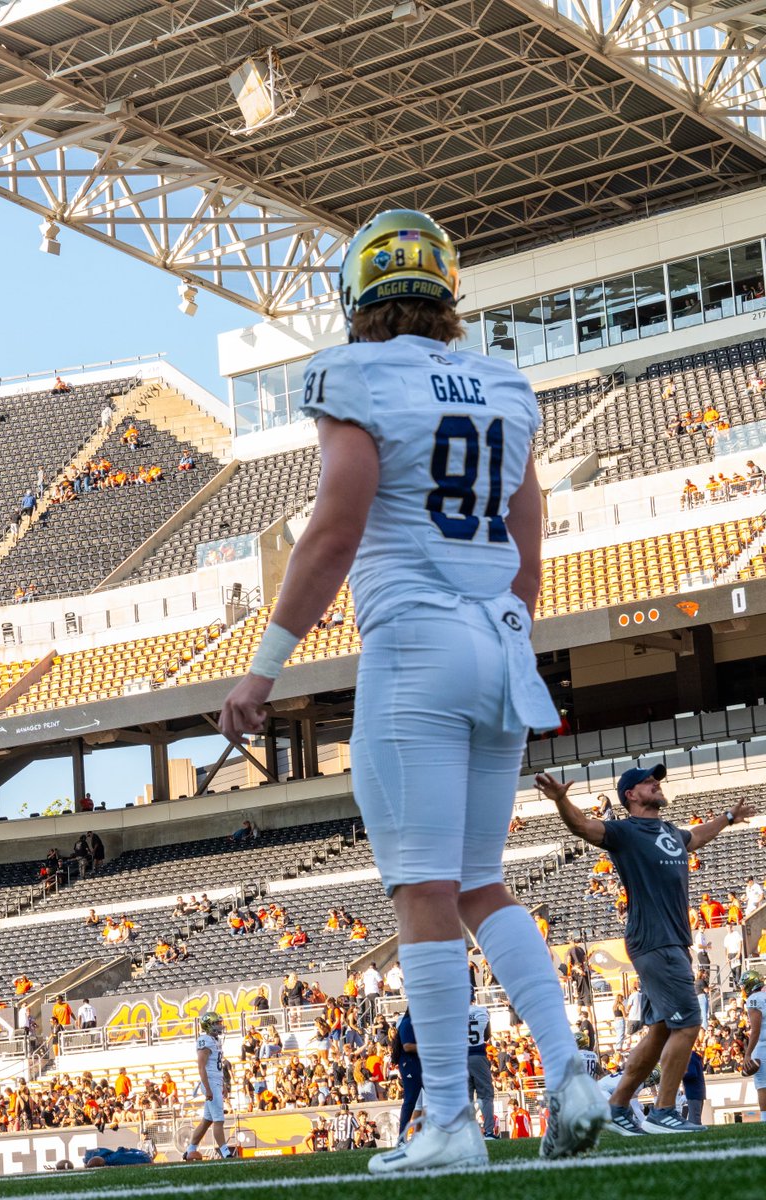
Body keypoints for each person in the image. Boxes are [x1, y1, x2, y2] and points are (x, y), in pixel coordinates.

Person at [219, 207, 606, 1173]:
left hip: (418, 641)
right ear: (445, 289)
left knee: (424, 887)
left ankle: (448, 1121)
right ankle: (570, 1072)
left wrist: (263, 666)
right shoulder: (504, 384)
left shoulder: (356, 374)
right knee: (480, 881)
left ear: (360, 293)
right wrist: (502, 636)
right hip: (500, 641)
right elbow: (527, 546)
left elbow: (336, 525)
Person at [537, 762, 755, 1135]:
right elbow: (583, 827)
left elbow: (695, 837)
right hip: (655, 939)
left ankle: (617, 1106)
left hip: (672, 941)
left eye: (656, 779)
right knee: (689, 1022)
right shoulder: (625, 832)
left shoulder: (669, 831)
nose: (655, 783)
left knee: (660, 1030)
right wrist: (561, 800)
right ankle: (662, 1111)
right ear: (631, 795)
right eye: (647, 781)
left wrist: (729, 817)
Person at [182, 1012, 234, 1161]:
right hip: (210, 1082)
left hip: (215, 1081)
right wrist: (208, 1088)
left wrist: (223, 1084)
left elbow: (217, 1066)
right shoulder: (204, 1040)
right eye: (216, 1023)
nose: (220, 1025)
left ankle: (190, 1150)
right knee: (219, 1120)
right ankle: (225, 1152)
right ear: (208, 1025)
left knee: (207, 1121)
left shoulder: (215, 1040)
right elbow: (201, 1066)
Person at [467, 998, 496, 1140]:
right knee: (485, 1096)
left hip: (460, 1058)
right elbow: (486, 1036)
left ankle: (467, 1133)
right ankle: (489, 1131)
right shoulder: (482, 1011)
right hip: (478, 1056)